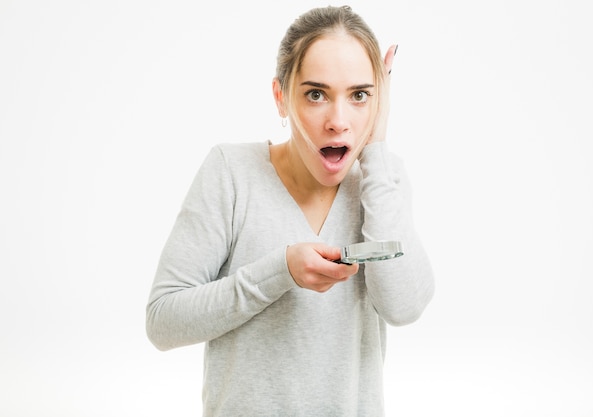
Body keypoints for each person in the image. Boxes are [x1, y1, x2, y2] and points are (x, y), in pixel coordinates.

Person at [146, 5, 434, 416]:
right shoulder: (230, 172)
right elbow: (163, 322)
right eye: (316, 94)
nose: (339, 121)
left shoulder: (382, 180)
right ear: (281, 96)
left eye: (359, 95)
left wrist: (377, 148)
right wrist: (279, 271)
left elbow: (404, 307)